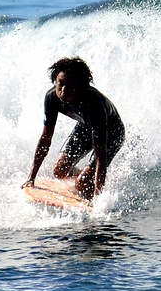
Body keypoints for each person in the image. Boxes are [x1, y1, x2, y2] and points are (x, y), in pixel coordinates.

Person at [23, 57, 125, 200]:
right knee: (59, 171)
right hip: (85, 127)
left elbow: (100, 155)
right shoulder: (52, 98)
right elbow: (46, 138)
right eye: (61, 83)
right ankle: (85, 177)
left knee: (83, 184)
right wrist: (31, 177)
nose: (63, 90)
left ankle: (88, 184)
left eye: (70, 85)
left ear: (81, 86)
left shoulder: (94, 104)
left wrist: (98, 199)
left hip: (112, 132)